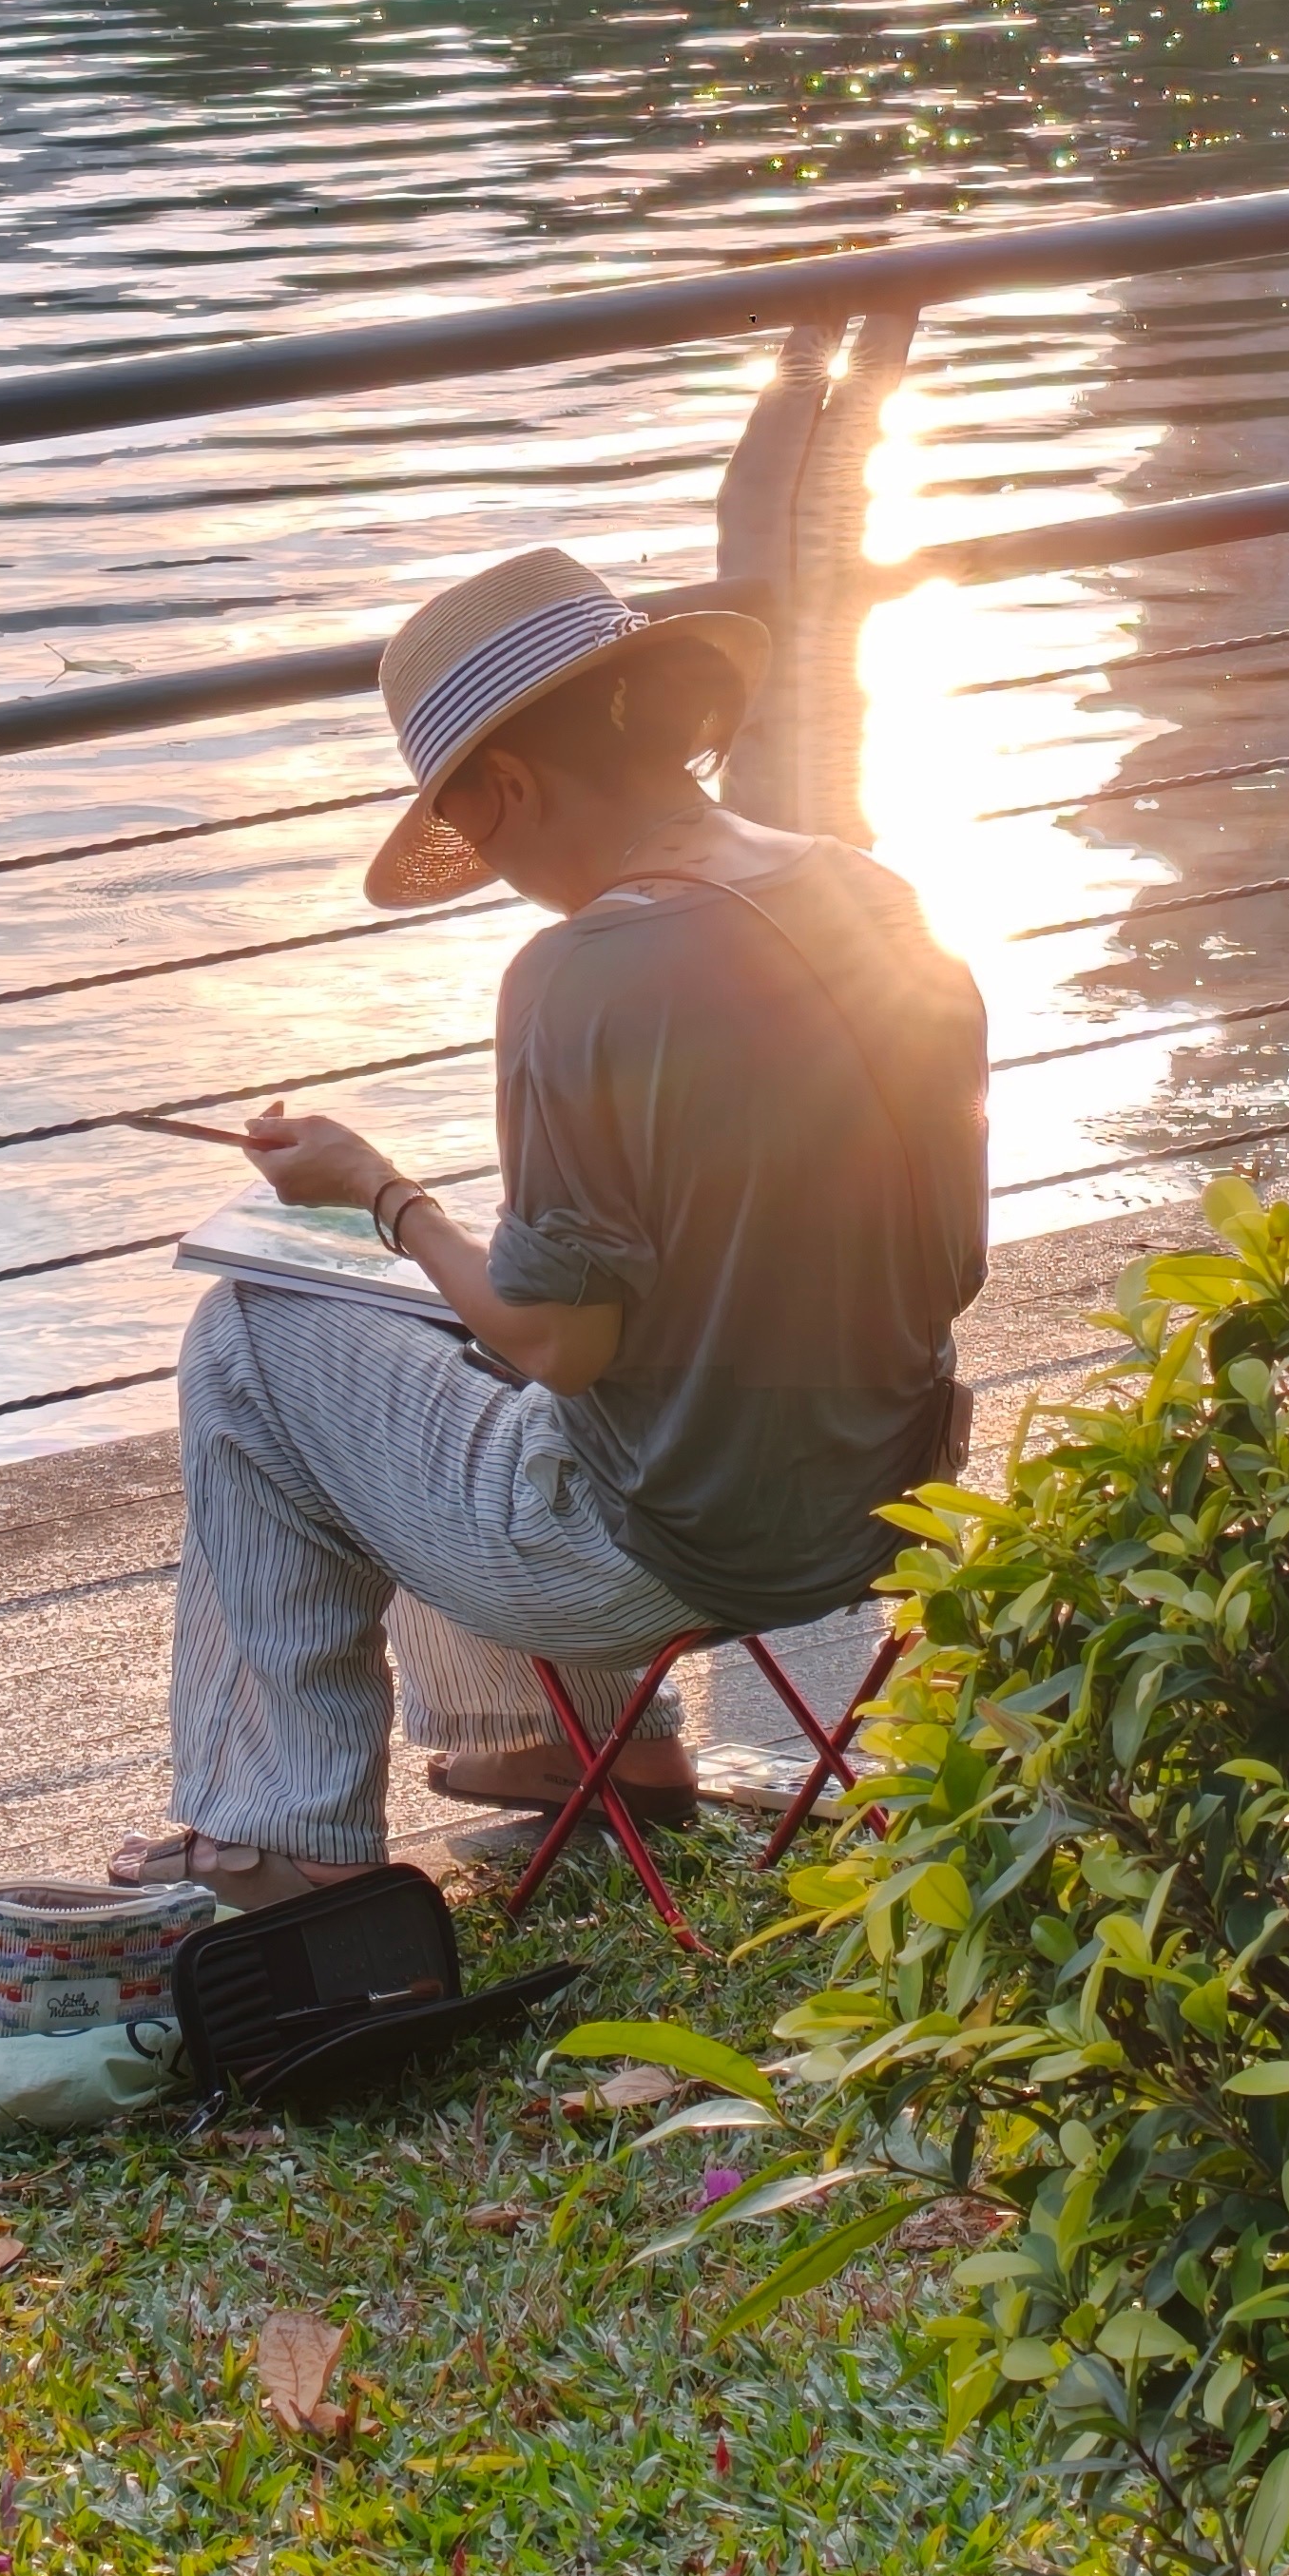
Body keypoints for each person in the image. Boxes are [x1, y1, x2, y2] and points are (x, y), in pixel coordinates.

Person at [117, 545, 987, 1910]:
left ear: (508, 788)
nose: (503, 878)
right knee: (437, 1324)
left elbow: (558, 1345)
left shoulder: (579, 973)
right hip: (879, 1492)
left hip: (665, 1545)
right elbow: (952, 1261)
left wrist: (383, 1195)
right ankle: (571, 1746)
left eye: (483, 837)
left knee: (252, 1336)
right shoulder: (870, 899)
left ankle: (280, 1835)